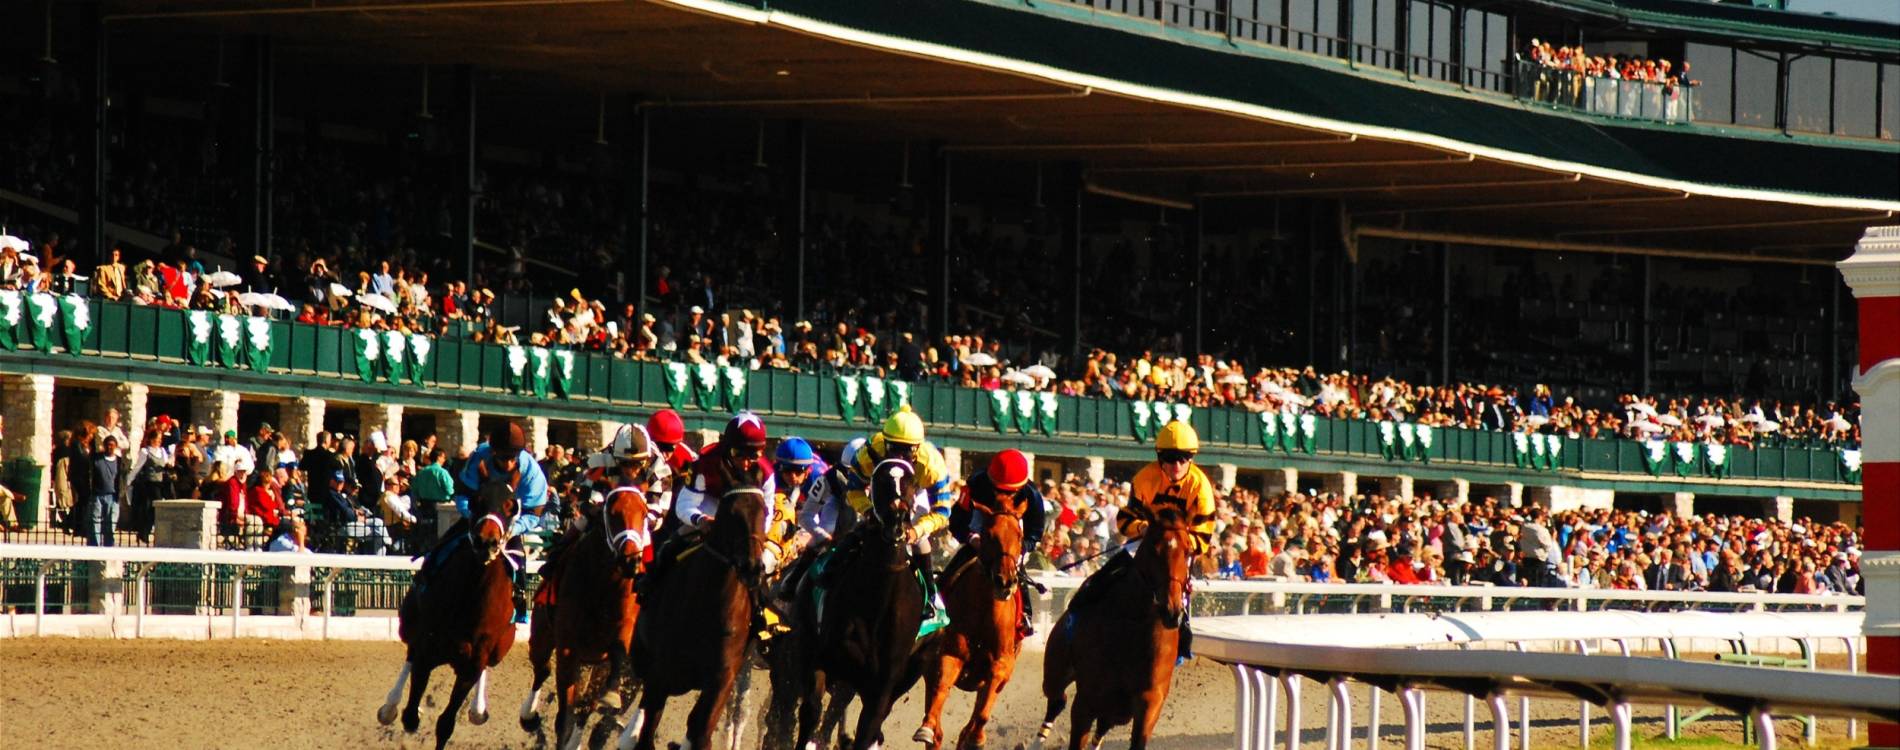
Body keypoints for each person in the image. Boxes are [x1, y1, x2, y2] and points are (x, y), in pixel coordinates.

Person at [1065, 421, 1216, 656]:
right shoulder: (1145, 478)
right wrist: (1144, 528)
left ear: (1191, 458)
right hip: (1147, 541)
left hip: (1180, 549)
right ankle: (1075, 621)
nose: (1176, 465)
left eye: (1183, 458)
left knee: (1179, 598)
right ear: (1159, 457)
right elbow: (1125, 522)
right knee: (1108, 573)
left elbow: (1203, 538)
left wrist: (1171, 540)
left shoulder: (1201, 487)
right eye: (1169, 457)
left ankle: (1181, 643)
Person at [942, 448, 1047, 635]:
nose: (1003, 496)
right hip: (978, 538)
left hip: (1011, 544)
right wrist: (971, 538)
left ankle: (1025, 617)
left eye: (1009, 492)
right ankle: (937, 606)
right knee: (951, 571)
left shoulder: (1032, 496)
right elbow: (957, 522)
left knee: (1017, 574)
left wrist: (1018, 548)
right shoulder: (974, 484)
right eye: (998, 490)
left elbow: (1035, 533)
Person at [88, 436, 126, 547]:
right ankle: (96, 545)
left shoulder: (119, 461)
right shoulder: (96, 459)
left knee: (111, 522)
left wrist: (121, 492)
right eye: (108, 444)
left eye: (112, 445)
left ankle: (109, 545)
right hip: (98, 494)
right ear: (104, 446)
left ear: (116, 446)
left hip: (113, 495)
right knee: (96, 521)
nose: (110, 447)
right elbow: (90, 474)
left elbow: (123, 478)